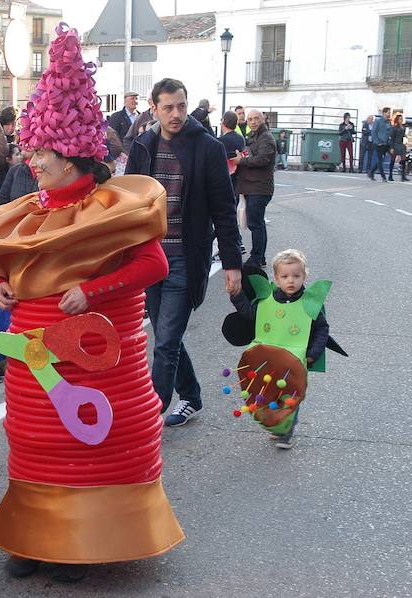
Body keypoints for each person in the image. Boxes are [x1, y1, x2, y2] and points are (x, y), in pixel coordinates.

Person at [0, 26, 185, 581]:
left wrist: (93, 291)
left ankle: (83, 540)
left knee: (89, 443)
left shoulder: (111, 207)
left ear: (71, 155)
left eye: (41, 149)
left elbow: (154, 266)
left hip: (98, 357)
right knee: (37, 440)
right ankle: (34, 535)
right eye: (32, 146)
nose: (31, 158)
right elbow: (6, 273)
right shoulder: (30, 209)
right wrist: (1, 290)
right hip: (33, 356)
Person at [126, 77, 242, 426]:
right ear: (154, 108)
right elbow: (129, 204)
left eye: (180, 106)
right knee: (166, 335)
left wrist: (233, 264)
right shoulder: (142, 146)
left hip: (184, 258)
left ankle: (150, 414)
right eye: (168, 107)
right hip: (149, 258)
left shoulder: (208, 148)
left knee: (164, 342)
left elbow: (224, 208)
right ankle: (191, 396)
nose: (175, 114)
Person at [228, 249, 330, 449]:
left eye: (296, 276)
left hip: (296, 359)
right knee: (268, 392)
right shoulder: (267, 302)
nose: (290, 281)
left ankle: (286, 431)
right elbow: (250, 314)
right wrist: (236, 295)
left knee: (291, 394)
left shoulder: (309, 303)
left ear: (304, 276)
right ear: (276, 278)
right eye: (285, 276)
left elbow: (321, 329)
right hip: (269, 360)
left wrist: (312, 355)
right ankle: (277, 424)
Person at [231, 109, 276, 270]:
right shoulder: (254, 137)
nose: (253, 121)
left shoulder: (266, 138)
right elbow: (249, 155)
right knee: (256, 223)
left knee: (256, 224)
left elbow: (262, 159)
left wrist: (241, 161)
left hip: (260, 188)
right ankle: (259, 256)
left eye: (256, 118)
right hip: (252, 187)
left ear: (262, 119)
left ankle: (257, 257)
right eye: (250, 119)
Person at [218, 111, 246, 256]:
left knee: (223, 215)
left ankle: (235, 243)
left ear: (223, 122)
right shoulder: (240, 139)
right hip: (238, 180)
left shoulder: (220, 141)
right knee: (230, 214)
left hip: (223, 182)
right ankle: (238, 242)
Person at [369, 107, 392, 182]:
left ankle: (371, 172)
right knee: (380, 159)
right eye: (388, 112)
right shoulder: (378, 121)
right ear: (384, 113)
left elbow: (389, 132)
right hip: (379, 143)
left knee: (381, 159)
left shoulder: (388, 122)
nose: (389, 114)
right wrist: (378, 141)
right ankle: (383, 176)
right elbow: (373, 132)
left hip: (386, 143)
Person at [388, 114, 408, 182]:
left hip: (401, 144)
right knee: (392, 160)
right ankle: (390, 175)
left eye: (402, 119)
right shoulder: (394, 127)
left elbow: (404, 136)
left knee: (404, 159)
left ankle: (403, 176)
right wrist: (391, 147)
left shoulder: (404, 127)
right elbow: (392, 138)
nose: (401, 120)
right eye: (400, 119)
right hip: (395, 144)